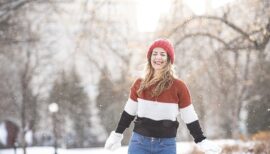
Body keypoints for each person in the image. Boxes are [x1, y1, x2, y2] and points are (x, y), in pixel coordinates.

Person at [104, 39, 221, 154]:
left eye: (162, 54)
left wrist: (201, 140)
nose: (158, 57)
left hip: (165, 145)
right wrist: (117, 134)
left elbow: (189, 116)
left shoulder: (179, 86)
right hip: (139, 143)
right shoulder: (139, 84)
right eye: (154, 54)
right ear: (150, 58)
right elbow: (129, 112)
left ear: (169, 59)